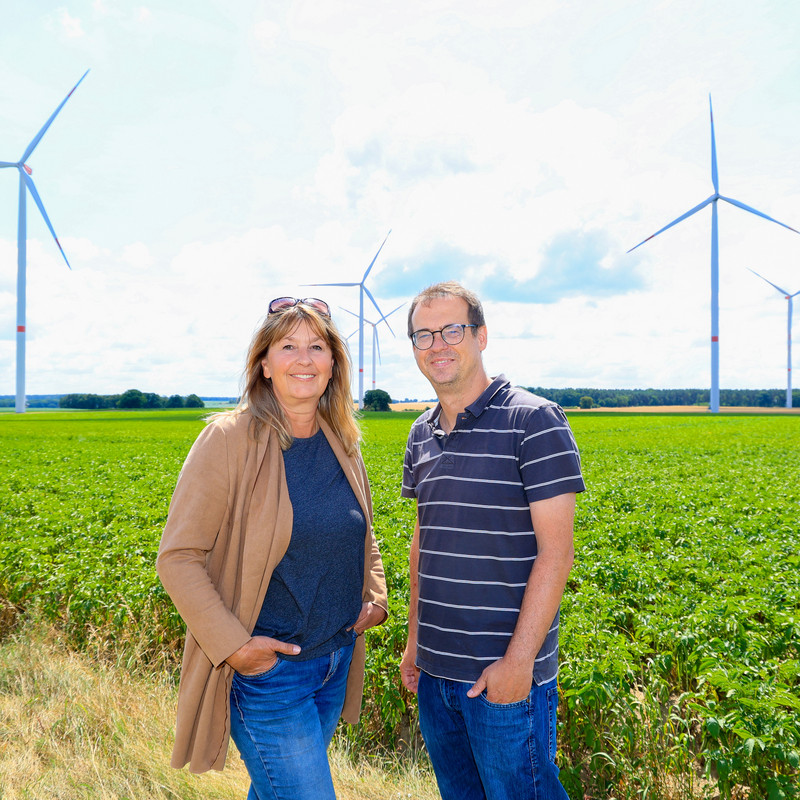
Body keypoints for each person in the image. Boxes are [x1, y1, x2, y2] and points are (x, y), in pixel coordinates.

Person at [157, 296, 388, 800]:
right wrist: (237, 648)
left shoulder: (342, 439)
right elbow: (178, 557)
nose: (304, 359)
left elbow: (362, 531)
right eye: (288, 346)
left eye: (317, 347)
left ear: (333, 364)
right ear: (264, 364)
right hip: (269, 675)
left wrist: (376, 596)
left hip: (334, 661)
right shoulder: (228, 439)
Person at [398, 282, 585, 800]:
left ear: (481, 336)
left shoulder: (534, 420)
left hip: (502, 678)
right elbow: (424, 542)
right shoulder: (420, 433)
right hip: (435, 675)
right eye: (422, 335)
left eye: (451, 330)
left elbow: (557, 553)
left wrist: (518, 663)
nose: (437, 344)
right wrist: (414, 641)